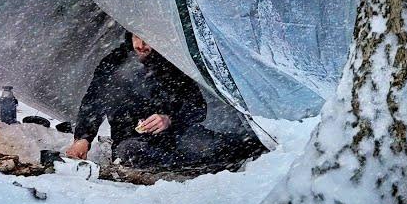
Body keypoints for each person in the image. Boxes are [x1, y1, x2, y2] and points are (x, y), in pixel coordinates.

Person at [65, 32, 266, 169]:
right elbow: (93, 103)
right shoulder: (113, 63)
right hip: (130, 139)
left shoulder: (173, 63)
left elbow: (197, 108)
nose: (141, 46)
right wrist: (83, 138)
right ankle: (185, 167)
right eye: (137, 38)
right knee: (132, 153)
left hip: (177, 135)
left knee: (218, 146)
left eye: (148, 40)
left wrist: (169, 119)